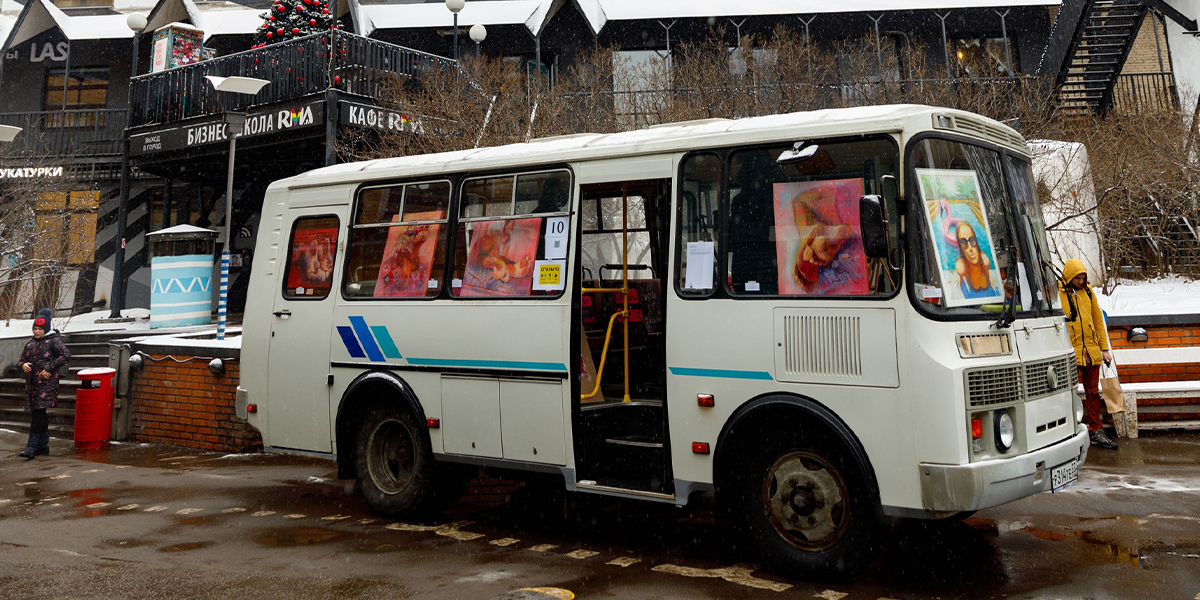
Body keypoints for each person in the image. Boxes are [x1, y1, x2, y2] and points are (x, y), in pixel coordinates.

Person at [1058, 260, 1117, 450]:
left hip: (1090, 350)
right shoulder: (1057, 293)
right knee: (1066, 393)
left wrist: (1104, 348)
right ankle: (1067, 431)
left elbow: (1098, 320)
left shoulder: (1089, 292)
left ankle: (1096, 430)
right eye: (1077, 278)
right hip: (1068, 351)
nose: (1081, 281)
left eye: (1083, 278)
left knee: (1092, 392)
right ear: (1069, 276)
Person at [17, 308, 70, 459]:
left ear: (46, 329)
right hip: (32, 384)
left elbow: (66, 355)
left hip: (47, 384)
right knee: (39, 413)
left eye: (40, 329)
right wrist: (23, 365)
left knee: (38, 413)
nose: (37, 332)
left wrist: (49, 368)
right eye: (35, 329)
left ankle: (31, 447)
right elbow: (20, 360)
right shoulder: (30, 344)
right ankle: (42, 445)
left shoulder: (54, 341)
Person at [954, 222, 999, 299]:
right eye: (963, 243)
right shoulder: (961, 267)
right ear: (961, 247)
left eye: (972, 240)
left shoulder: (985, 261)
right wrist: (959, 276)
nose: (970, 248)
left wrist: (989, 277)